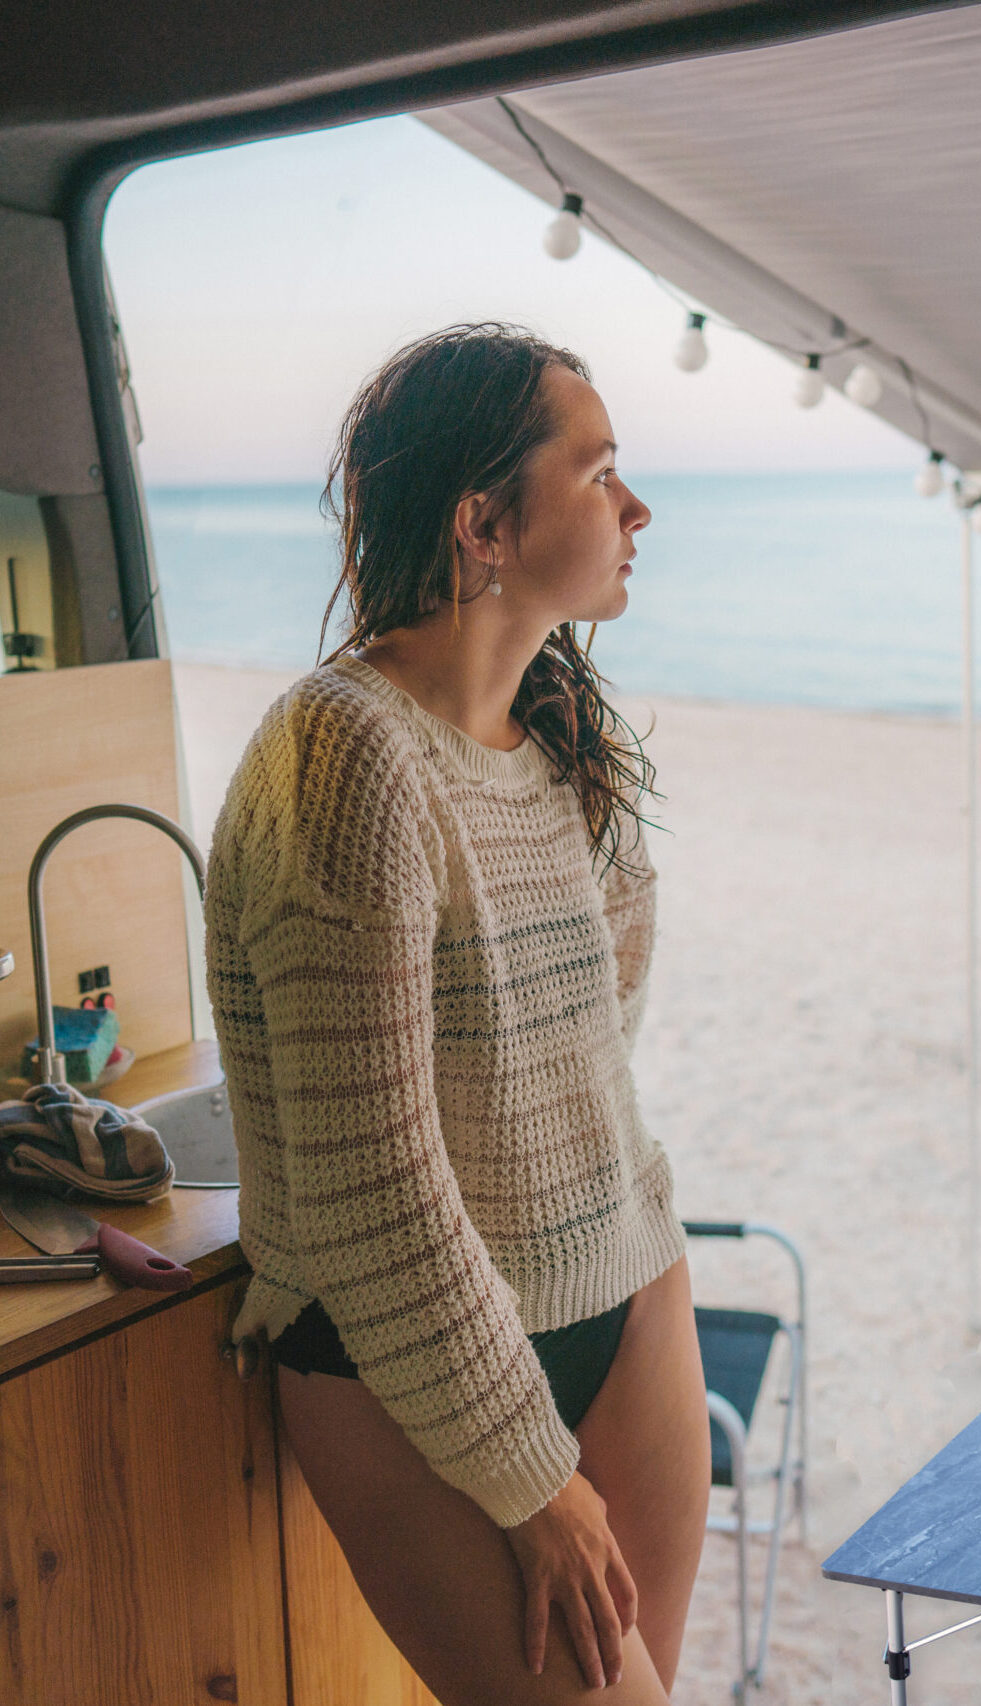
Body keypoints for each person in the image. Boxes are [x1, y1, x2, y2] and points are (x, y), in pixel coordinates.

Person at [204, 324, 710, 1705]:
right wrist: (533, 1478)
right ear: (484, 521)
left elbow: (599, 1041)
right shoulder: (345, 755)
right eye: (599, 470)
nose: (636, 506)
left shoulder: (557, 745)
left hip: (627, 1282)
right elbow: (375, 1199)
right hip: (405, 1360)